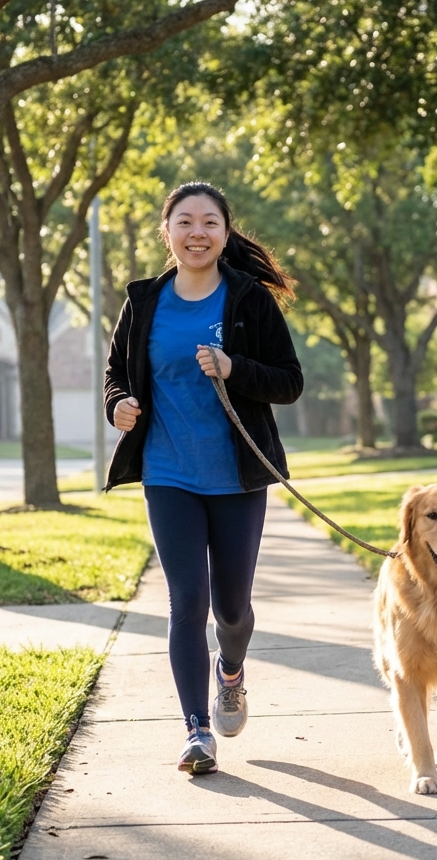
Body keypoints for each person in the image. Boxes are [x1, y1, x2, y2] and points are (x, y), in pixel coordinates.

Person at [103, 181, 302, 775]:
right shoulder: (143, 302)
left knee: (232, 610)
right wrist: (118, 405)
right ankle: (196, 731)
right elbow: (116, 375)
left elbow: (288, 381)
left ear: (224, 233)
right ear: (167, 233)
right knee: (187, 601)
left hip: (239, 476)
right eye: (184, 222)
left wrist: (234, 367)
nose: (197, 233)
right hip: (168, 474)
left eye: (209, 223)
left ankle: (231, 673)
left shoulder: (249, 300)